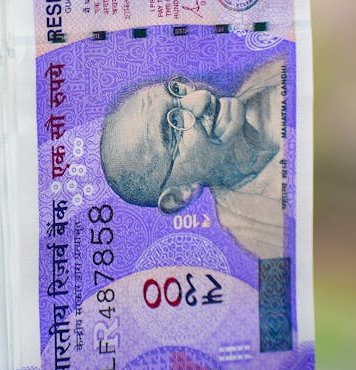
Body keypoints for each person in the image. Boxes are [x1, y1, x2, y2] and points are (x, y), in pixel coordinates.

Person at [100, 60, 285, 259]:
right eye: (174, 126)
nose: (201, 98)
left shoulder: (263, 79)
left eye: (177, 90)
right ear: (180, 195)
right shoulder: (259, 231)